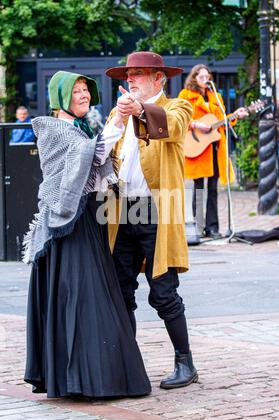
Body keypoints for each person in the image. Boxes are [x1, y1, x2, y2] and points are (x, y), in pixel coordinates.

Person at [23, 70, 151, 399]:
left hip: (86, 222)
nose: (84, 96)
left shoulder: (80, 129)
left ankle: (89, 378)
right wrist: (118, 121)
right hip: (67, 228)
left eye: (86, 91)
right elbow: (92, 155)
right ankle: (87, 380)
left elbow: (97, 169)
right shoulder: (52, 130)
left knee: (91, 301)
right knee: (83, 301)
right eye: (77, 91)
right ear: (62, 97)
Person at [105, 51, 198, 390]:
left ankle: (185, 362)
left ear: (160, 78)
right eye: (128, 74)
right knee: (120, 290)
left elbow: (171, 128)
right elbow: (106, 154)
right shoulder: (118, 112)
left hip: (158, 209)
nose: (131, 79)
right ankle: (127, 364)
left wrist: (141, 111)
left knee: (163, 292)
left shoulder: (178, 107)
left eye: (139, 74)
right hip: (120, 210)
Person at [178, 64, 248, 239]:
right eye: (201, 77)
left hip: (215, 149)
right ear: (194, 78)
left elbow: (222, 121)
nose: (205, 80)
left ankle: (212, 228)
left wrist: (235, 116)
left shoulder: (215, 96)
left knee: (213, 189)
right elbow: (179, 120)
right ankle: (198, 227)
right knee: (199, 188)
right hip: (198, 149)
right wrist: (195, 124)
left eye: (207, 77)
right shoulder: (185, 95)